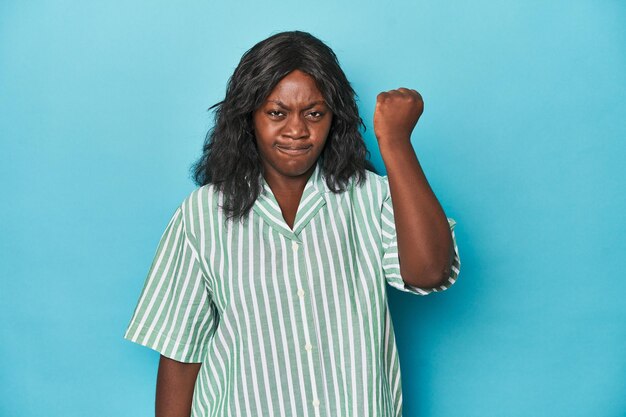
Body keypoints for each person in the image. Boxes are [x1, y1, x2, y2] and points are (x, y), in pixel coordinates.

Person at [124, 30, 461, 417]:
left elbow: (430, 272)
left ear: (335, 118)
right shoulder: (203, 214)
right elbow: (181, 355)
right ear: (248, 117)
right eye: (276, 113)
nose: (297, 130)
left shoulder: (370, 198)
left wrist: (395, 141)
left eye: (314, 113)